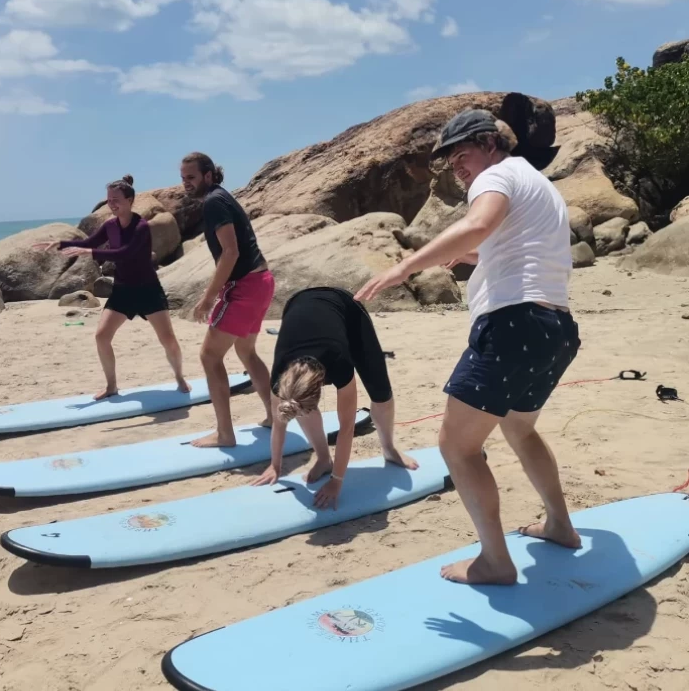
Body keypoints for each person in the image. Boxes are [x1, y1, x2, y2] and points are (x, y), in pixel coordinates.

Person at [355, 109, 581, 586]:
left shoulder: (496, 175)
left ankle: (495, 562)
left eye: (462, 154)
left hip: (513, 326)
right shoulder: (535, 182)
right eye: (450, 159)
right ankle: (560, 525)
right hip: (555, 328)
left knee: (456, 447)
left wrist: (404, 268)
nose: (456, 166)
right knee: (519, 429)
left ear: (490, 144)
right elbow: (517, 245)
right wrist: (477, 254)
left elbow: (480, 224)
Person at [250, 286, 419, 510]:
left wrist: (337, 482)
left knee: (380, 393)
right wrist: (275, 466)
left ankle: (389, 448)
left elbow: (346, 428)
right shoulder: (281, 375)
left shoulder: (338, 361)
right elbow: (279, 422)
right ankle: (323, 458)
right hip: (299, 303)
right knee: (298, 405)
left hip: (346, 310)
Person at [33, 175, 189, 399]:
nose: (112, 204)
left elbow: (125, 252)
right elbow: (89, 243)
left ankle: (180, 377)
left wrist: (93, 253)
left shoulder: (141, 227)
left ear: (130, 200)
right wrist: (62, 243)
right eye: (109, 200)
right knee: (102, 336)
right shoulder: (110, 226)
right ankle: (111, 386)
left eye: (116, 199)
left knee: (168, 340)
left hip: (148, 290)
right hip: (123, 290)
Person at [180, 152, 275, 448]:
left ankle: (224, 434)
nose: (186, 184)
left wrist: (208, 298)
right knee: (246, 351)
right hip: (261, 282)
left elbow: (230, 252)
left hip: (245, 286)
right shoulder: (222, 198)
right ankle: (275, 416)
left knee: (210, 356)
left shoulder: (213, 202)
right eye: (183, 178)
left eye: (191, 177)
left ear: (209, 175)